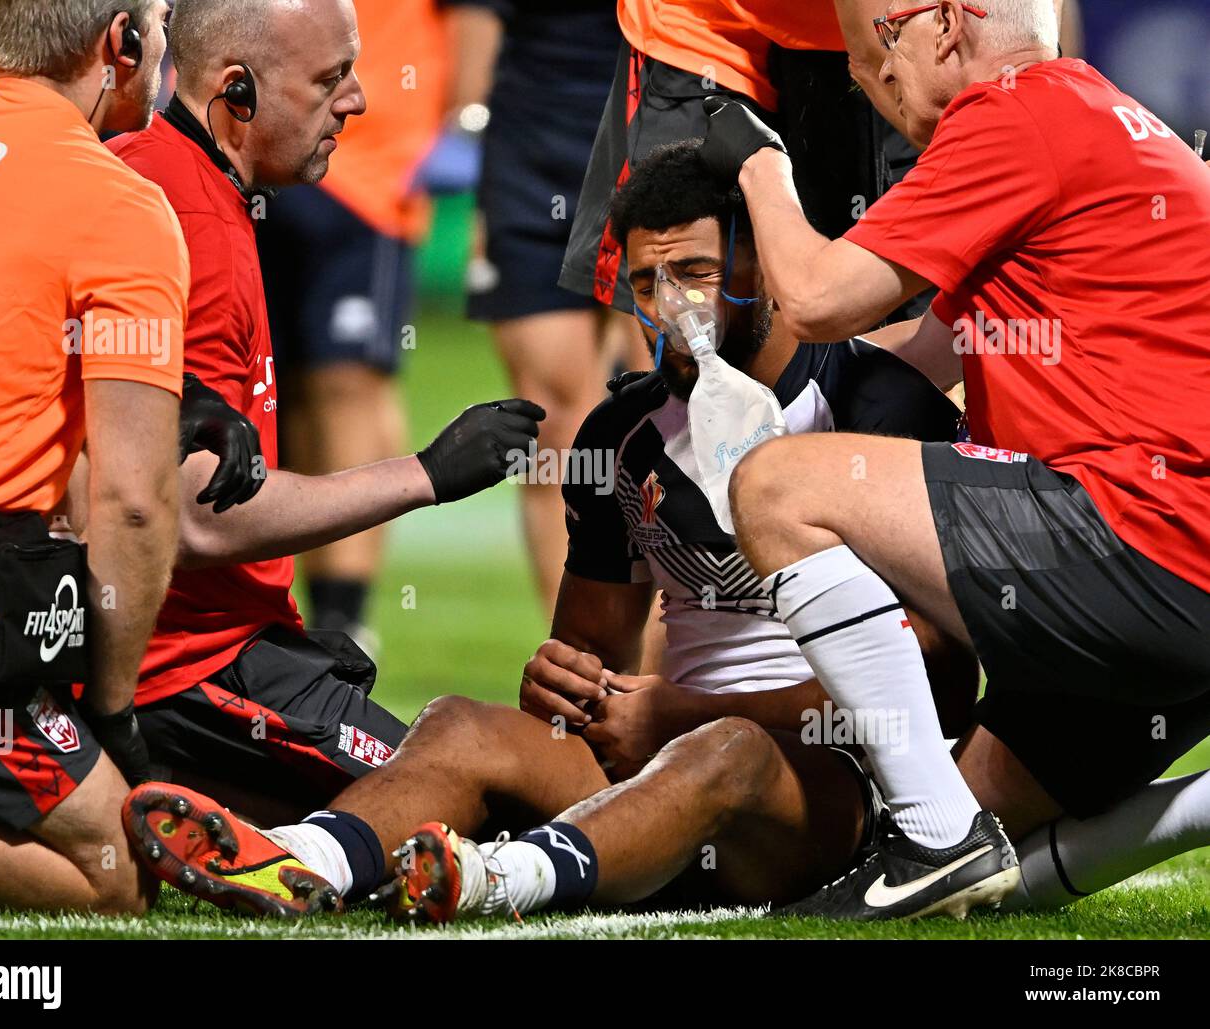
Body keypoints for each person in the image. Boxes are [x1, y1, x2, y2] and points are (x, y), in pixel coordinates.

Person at [115, 141, 977, 919]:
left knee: (729, 750)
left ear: (762, 262)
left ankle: (495, 877)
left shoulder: (881, 408)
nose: (671, 306)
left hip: (829, 793)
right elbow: (589, 650)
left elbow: (939, 676)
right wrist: (568, 687)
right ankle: (298, 862)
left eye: (696, 271)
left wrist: (686, 708)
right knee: (459, 721)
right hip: (667, 761)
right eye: (646, 282)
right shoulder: (621, 434)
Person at [698, 0, 1210, 919]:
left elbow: (815, 299)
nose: (873, 87)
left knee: (775, 489)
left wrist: (755, 159)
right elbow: (908, 352)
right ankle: (964, 840)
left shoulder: (1011, 113)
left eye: (876, 57)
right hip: (1183, 581)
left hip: (1143, 539)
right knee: (987, 842)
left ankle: (941, 840)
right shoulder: (1107, 124)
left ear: (942, 26)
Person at [105, 0, 544, 827]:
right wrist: (427, 474)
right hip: (192, 673)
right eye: (330, 79)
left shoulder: (157, 172)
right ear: (237, 91)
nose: (360, 101)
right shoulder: (193, 224)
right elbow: (199, 523)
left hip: (169, 652)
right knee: (482, 795)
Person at [0, 0, 186, 913]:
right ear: (123, 41)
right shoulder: (121, 206)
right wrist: (111, 711)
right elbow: (136, 502)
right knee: (120, 878)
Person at [256, 0, 449, 647]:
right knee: (255, 384)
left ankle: (341, 621)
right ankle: (257, 603)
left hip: (368, 155)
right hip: (245, 138)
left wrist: (465, 123)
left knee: (348, 380)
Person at [452, 0, 628, 614]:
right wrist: (467, 142)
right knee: (551, 424)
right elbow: (476, 20)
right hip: (531, 161)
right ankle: (577, 649)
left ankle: (671, 662)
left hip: (660, 147)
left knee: (673, 412)